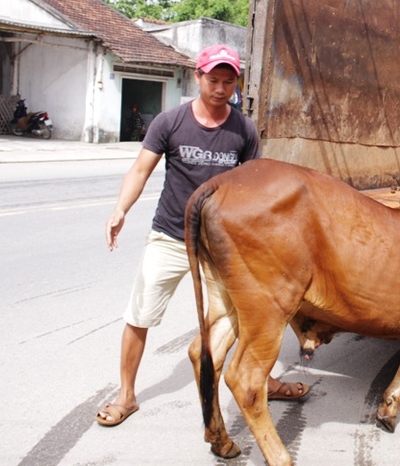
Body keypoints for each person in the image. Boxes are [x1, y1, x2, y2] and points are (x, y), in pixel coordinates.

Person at [96, 44, 310, 427]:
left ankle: (266, 382)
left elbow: (254, 188)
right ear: (198, 77)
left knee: (247, 317)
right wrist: (120, 209)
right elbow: (141, 170)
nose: (220, 89)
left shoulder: (243, 129)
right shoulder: (170, 122)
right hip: (171, 236)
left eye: (229, 82)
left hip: (223, 247)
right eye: (213, 80)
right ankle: (126, 395)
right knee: (140, 315)